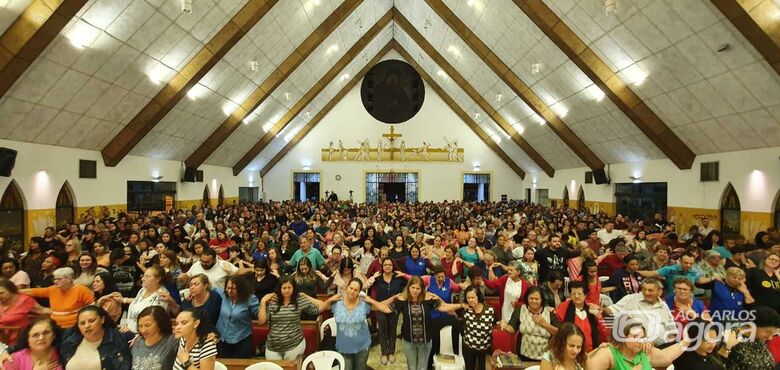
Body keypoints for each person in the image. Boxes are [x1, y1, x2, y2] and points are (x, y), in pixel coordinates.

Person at [328, 278, 396, 370]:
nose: (352, 291)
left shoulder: (364, 303)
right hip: (343, 347)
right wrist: (326, 300)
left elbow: (382, 306)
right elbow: (319, 306)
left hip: (362, 346)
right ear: (347, 287)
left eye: (356, 290)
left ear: (359, 292)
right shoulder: (336, 302)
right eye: (351, 288)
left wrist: (392, 298)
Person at [258, 275, 327, 360]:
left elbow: (323, 306)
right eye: (284, 288)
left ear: (294, 288)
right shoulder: (272, 301)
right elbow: (261, 322)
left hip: (294, 345)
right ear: (279, 288)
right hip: (273, 346)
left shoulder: (299, 299)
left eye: (289, 287)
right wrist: (263, 302)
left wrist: (306, 296)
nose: (287, 290)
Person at [586, 321, 690, 370]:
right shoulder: (608, 353)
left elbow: (667, 357)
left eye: (642, 337)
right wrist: (596, 350)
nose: (640, 341)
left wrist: (688, 340)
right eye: (635, 337)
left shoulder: (645, 349)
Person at [603, 278, 677, 345]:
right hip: (640, 346)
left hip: (663, 347)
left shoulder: (663, 305)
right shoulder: (631, 299)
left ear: (660, 292)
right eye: (644, 289)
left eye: (650, 290)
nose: (646, 293)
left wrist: (669, 345)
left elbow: (672, 329)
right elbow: (609, 311)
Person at [60, 306, 131, 370]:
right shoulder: (70, 342)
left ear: (102, 319)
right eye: (82, 323)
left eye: (91, 321)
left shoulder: (119, 337)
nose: (87, 326)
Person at [21, 268, 94, 328]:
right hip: (55, 325)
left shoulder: (81, 289)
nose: (55, 281)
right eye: (54, 279)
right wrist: (14, 291)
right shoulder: (53, 289)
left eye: (58, 279)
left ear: (68, 279)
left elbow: (93, 305)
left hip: (73, 327)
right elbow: (32, 291)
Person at [364, 258, 406, 365]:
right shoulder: (378, 278)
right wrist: (372, 277)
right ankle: (384, 353)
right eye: (385, 264)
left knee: (392, 330)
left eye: (390, 265)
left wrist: (404, 275)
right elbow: (365, 285)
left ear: (393, 266)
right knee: (382, 330)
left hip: (394, 308)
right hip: (380, 307)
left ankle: (391, 352)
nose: (387, 266)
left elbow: (409, 286)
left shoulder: (398, 278)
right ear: (382, 266)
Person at [501, 286, 559, 361]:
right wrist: (504, 325)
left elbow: (559, 333)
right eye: (531, 298)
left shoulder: (549, 312)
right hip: (524, 355)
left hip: (545, 357)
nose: (534, 301)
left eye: (537, 299)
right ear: (527, 299)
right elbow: (512, 328)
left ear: (541, 300)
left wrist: (544, 323)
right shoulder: (520, 310)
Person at [554, 281, 609, 353]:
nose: (576, 296)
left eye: (579, 294)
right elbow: (556, 330)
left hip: (591, 352)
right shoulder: (562, 308)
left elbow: (605, 334)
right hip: (569, 352)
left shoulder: (592, 309)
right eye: (573, 294)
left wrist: (599, 318)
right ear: (570, 295)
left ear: (585, 295)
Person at [215, 275, 258, 358]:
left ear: (241, 288)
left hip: (241, 340)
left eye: (233, 288)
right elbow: (207, 288)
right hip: (222, 339)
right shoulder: (222, 294)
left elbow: (259, 317)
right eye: (228, 288)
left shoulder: (251, 299)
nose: (230, 291)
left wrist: (264, 302)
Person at [727, 306, 780, 370]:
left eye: (773, 334)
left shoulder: (758, 338)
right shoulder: (731, 338)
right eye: (768, 332)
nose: (770, 338)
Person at [458, 285, 496, 370]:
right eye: (468, 298)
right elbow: (449, 310)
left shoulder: (490, 310)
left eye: (473, 297)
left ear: (478, 296)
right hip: (469, 348)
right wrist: (460, 305)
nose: (470, 300)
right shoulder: (465, 309)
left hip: (485, 349)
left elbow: (498, 322)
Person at [131, 306, 178, 370]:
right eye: (140, 326)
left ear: (160, 324)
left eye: (148, 325)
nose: (143, 330)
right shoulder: (137, 342)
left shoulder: (172, 341)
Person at [0, 279, 38, 345]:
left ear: (11, 291)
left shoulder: (24, 300)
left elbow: (42, 310)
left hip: (17, 342)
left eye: (1, 293)